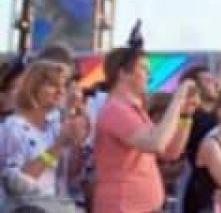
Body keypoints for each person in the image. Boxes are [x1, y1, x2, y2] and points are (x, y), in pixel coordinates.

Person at [92, 23, 200, 213]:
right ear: (123, 73)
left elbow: (170, 152)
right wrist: (177, 98)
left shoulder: (133, 110)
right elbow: (155, 143)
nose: (149, 75)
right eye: (143, 68)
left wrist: (185, 116)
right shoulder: (115, 110)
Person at [0, 60, 89, 210]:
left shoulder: (53, 126)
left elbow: (71, 176)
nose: (61, 91)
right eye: (53, 85)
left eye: (63, 86)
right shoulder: (13, 127)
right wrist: (57, 147)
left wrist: (77, 141)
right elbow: (16, 185)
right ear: (33, 88)